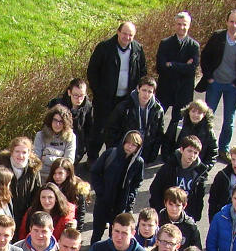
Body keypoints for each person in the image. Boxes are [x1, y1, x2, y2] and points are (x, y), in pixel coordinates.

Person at [195, 10, 236, 160]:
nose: (233, 25)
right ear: (226, 22)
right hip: (215, 83)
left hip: (232, 87)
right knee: (207, 116)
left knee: (229, 120)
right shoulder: (217, 37)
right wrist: (209, 77)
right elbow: (205, 56)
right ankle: (203, 146)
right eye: (231, 21)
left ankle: (223, 149)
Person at [86, 21, 147, 159]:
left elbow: (143, 71)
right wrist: (98, 91)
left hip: (125, 99)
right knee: (99, 129)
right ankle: (92, 157)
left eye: (130, 35)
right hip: (105, 98)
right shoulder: (104, 48)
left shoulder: (138, 49)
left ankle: (111, 157)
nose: (127, 37)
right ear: (118, 32)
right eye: (124, 33)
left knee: (118, 130)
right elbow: (92, 71)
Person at [89, 130, 145, 243]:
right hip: (104, 200)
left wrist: (130, 199)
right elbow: (95, 172)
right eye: (128, 143)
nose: (130, 147)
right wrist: (100, 191)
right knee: (97, 232)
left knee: (116, 233)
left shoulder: (138, 162)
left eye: (134, 145)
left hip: (121, 203)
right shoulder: (111, 154)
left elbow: (137, 182)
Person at [156, 12, 200, 140]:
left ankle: (170, 146)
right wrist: (183, 66)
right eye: (179, 24)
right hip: (166, 87)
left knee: (177, 121)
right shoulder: (165, 43)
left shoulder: (194, 46)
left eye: (184, 25)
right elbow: (160, 67)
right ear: (174, 25)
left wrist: (172, 64)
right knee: (157, 117)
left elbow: (192, 69)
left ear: (189, 26)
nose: (181, 27)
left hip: (184, 90)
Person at [103, 76, 165, 162]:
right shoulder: (124, 107)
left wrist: (153, 154)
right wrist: (116, 151)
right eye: (144, 90)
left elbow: (159, 134)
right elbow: (111, 130)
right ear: (138, 89)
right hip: (125, 150)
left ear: (153, 93)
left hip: (144, 153)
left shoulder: (158, 110)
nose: (146, 94)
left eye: (150, 91)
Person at [149, 136, 211, 221]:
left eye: (195, 153)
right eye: (189, 151)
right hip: (165, 212)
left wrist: (195, 217)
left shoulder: (200, 173)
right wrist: (159, 210)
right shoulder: (169, 167)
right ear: (181, 150)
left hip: (185, 215)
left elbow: (199, 198)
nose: (192, 155)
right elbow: (155, 189)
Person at [47, 78, 93, 164]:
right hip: (58, 143)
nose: (79, 99)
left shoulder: (88, 106)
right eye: (75, 95)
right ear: (69, 93)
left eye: (82, 95)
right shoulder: (58, 105)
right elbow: (48, 125)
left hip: (77, 145)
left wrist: (85, 146)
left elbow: (89, 128)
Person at [0, 138, 42, 224]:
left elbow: (37, 192)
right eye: (17, 151)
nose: (20, 156)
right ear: (12, 152)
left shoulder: (33, 169)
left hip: (25, 214)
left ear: (29, 153)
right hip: (4, 212)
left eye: (24, 152)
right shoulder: (1, 166)